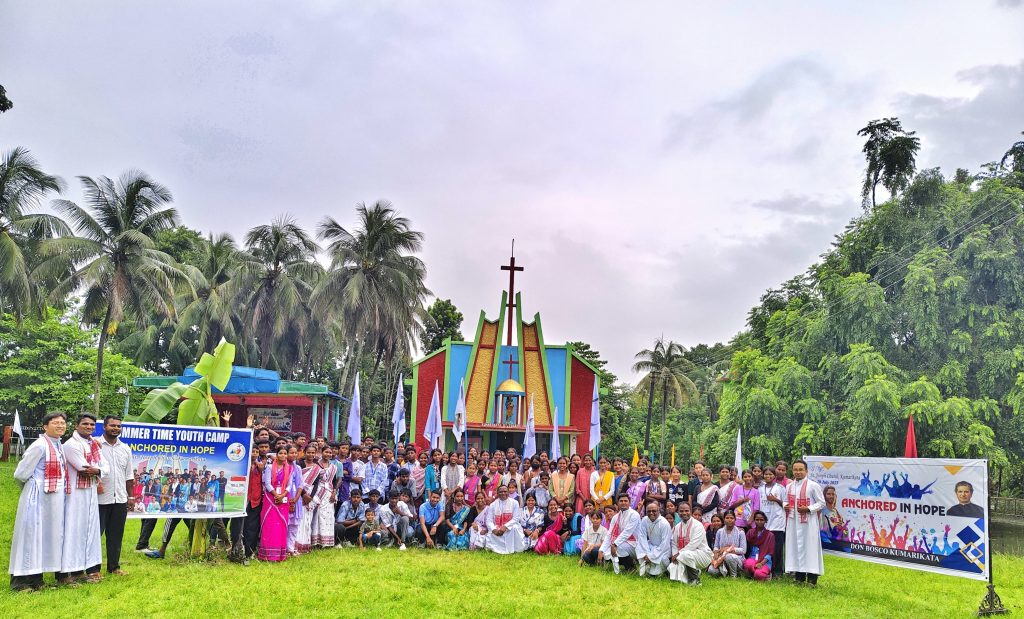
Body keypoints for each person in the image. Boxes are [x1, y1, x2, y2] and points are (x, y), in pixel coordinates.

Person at [9, 412, 69, 591]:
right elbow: (20, 474)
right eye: (55, 422)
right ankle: (19, 582)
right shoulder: (39, 445)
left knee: (42, 537)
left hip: (52, 500)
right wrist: (33, 487)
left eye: (63, 423)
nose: (60, 425)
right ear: (45, 426)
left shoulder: (58, 445)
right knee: (29, 536)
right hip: (36, 498)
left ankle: (36, 580)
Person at [60, 413, 107, 585]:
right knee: (72, 531)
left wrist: (99, 470)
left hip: (90, 492)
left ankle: (79, 571)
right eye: (85, 424)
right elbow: (84, 468)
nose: (89, 427)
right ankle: (66, 573)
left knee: (86, 532)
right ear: (76, 425)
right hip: (74, 494)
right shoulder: (71, 445)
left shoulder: (93, 444)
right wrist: (99, 470)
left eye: (92, 425)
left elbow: (105, 466)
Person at [97, 415, 134, 577]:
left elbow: (129, 475)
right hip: (99, 499)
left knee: (116, 535)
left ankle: (114, 567)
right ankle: (93, 569)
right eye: (112, 425)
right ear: (104, 427)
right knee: (95, 536)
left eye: (119, 426)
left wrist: (130, 497)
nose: (116, 428)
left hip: (120, 499)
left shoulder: (125, 448)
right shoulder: (95, 445)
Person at [784, 459, 825, 585]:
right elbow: (785, 501)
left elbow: (821, 503)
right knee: (795, 548)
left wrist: (808, 509)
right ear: (792, 471)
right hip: (793, 522)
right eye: (795, 469)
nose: (798, 472)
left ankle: (812, 579)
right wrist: (785, 505)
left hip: (809, 524)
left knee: (810, 549)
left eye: (801, 469)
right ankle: (799, 578)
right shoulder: (789, 486)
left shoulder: (813, 485)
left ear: (806, 471)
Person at [259, 446, 294, 561]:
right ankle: (267, 554)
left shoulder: (290, 469)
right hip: (270, 498)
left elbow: (289, 484)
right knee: (269, 524)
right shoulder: (269, 467)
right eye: (281, 453)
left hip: (283, 499)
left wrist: (282, 495)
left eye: (285, 453)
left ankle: (279, 554)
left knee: (281, 525)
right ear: (277, 455)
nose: (283, 455)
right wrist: (276, 495)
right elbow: (267, 483)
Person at [670, 502, 712, 585]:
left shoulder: (698, 525)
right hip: (684, 555)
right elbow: (674, 543)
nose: (684, 513)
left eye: (686, 511)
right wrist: (675, 555)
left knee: (685, 554)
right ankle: (694, 572)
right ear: (678, 512)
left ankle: (695, 580)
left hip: (703, 555)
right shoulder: (677, 527)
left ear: (690, 511)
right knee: (672, 568)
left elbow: (693, 544)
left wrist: (678, 554)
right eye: (681, 511)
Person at [601, 493, 640, 574]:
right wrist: (601, 550)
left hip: (637, 544)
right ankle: (623, 566)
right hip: (624, 543)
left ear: (629, 502)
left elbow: (627, 533)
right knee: (607, 550)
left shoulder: (634, 514)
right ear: (617, 503)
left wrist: (615, 544)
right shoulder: (616, 517)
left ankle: (631, 568)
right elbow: (609, 534)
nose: (623, 503)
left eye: (625, 501)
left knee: (618, 547)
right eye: (621, 501)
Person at [760, 467, 787, 577]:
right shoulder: (760, 489)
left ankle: (778, 572)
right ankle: (766, 569)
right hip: (764, 523)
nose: (768, 476)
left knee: (777, 549)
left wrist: (775, 499)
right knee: (765, 548)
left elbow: (786, 505)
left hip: (777, 523)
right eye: (766, 474)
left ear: (775, 476)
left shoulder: (780, 488)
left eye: (770, 474)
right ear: (763, 475)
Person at [485, 485, 525, 554]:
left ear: (508, 492)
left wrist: (505, 526)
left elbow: (516, 518)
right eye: (501, 492)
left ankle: (514, 548)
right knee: (491, 532)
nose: (503, 493)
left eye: (505, 491)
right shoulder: (493, 505)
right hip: (497, 528)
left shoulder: (514, 503)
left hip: (510, 527)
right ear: (497, 493)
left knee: (514, 528)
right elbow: (489, 520)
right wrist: (493, 529)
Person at [636, 501, 672, 577]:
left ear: (659, 511)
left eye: (654, 511)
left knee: (662, 560)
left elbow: (665, 544)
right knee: (638, 547)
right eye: (649, 511)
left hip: (663, 550)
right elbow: (642, 537)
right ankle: (647, 569)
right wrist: (646, 553)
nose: (651, 513)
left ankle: (662, 572)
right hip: (651, 546)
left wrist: (651, 556)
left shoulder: (664, 523)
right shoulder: (645, 520)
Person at [311, 445, 337, 548]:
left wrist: (334, 492)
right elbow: (313, 481)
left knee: (328, 516)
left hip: (329, 493)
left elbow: (334, 481)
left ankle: (326, 542)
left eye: (330, 453)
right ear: (322, 452)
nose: (328, 454)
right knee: (317, 515)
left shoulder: (333, 467)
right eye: (326, 452)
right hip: (318, 493)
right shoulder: (316, 465)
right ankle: (316, 541)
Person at [708, 510, 746, 577]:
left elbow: (743, 550)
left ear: (735, 519)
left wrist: (728, 549)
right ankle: (726, 571)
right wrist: (716, 552)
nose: (729, 520)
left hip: (737, 559)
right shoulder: (720, 532)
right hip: (721, 558)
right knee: (711, 571)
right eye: (727, 518)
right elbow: (716, 546)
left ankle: (733, 575)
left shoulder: (740, 532)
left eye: (731, 518)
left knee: (729, 556)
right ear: (724, 520)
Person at [743, 511, 775, 581]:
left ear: (765, 521)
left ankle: (759, 574)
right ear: (754, 521)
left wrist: (761, 563)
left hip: (765, 561)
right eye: (757, 520)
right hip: (752, 559)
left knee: (759, 574)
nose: (759, 522)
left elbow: (770, 553)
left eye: (761, 520)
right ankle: (758, 574)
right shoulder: (750, 532)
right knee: (748, 564)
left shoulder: (770, 535)